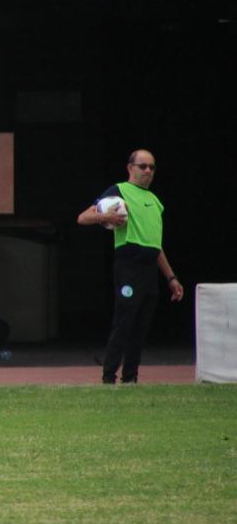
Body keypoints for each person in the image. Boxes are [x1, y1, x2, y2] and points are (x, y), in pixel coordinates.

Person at [77, 150, 184, 385]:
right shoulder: (119, 192)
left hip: (149, 270)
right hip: (128, 266)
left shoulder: (155, 201)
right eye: (142, 166)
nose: (147, 171)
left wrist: (171, 277)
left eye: (151, 167)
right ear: (130, 168)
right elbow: (83, 217)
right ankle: (108, 377)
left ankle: (130, 377)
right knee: (125, 320)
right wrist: (105, 217)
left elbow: (156, 246)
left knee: (141, 325)